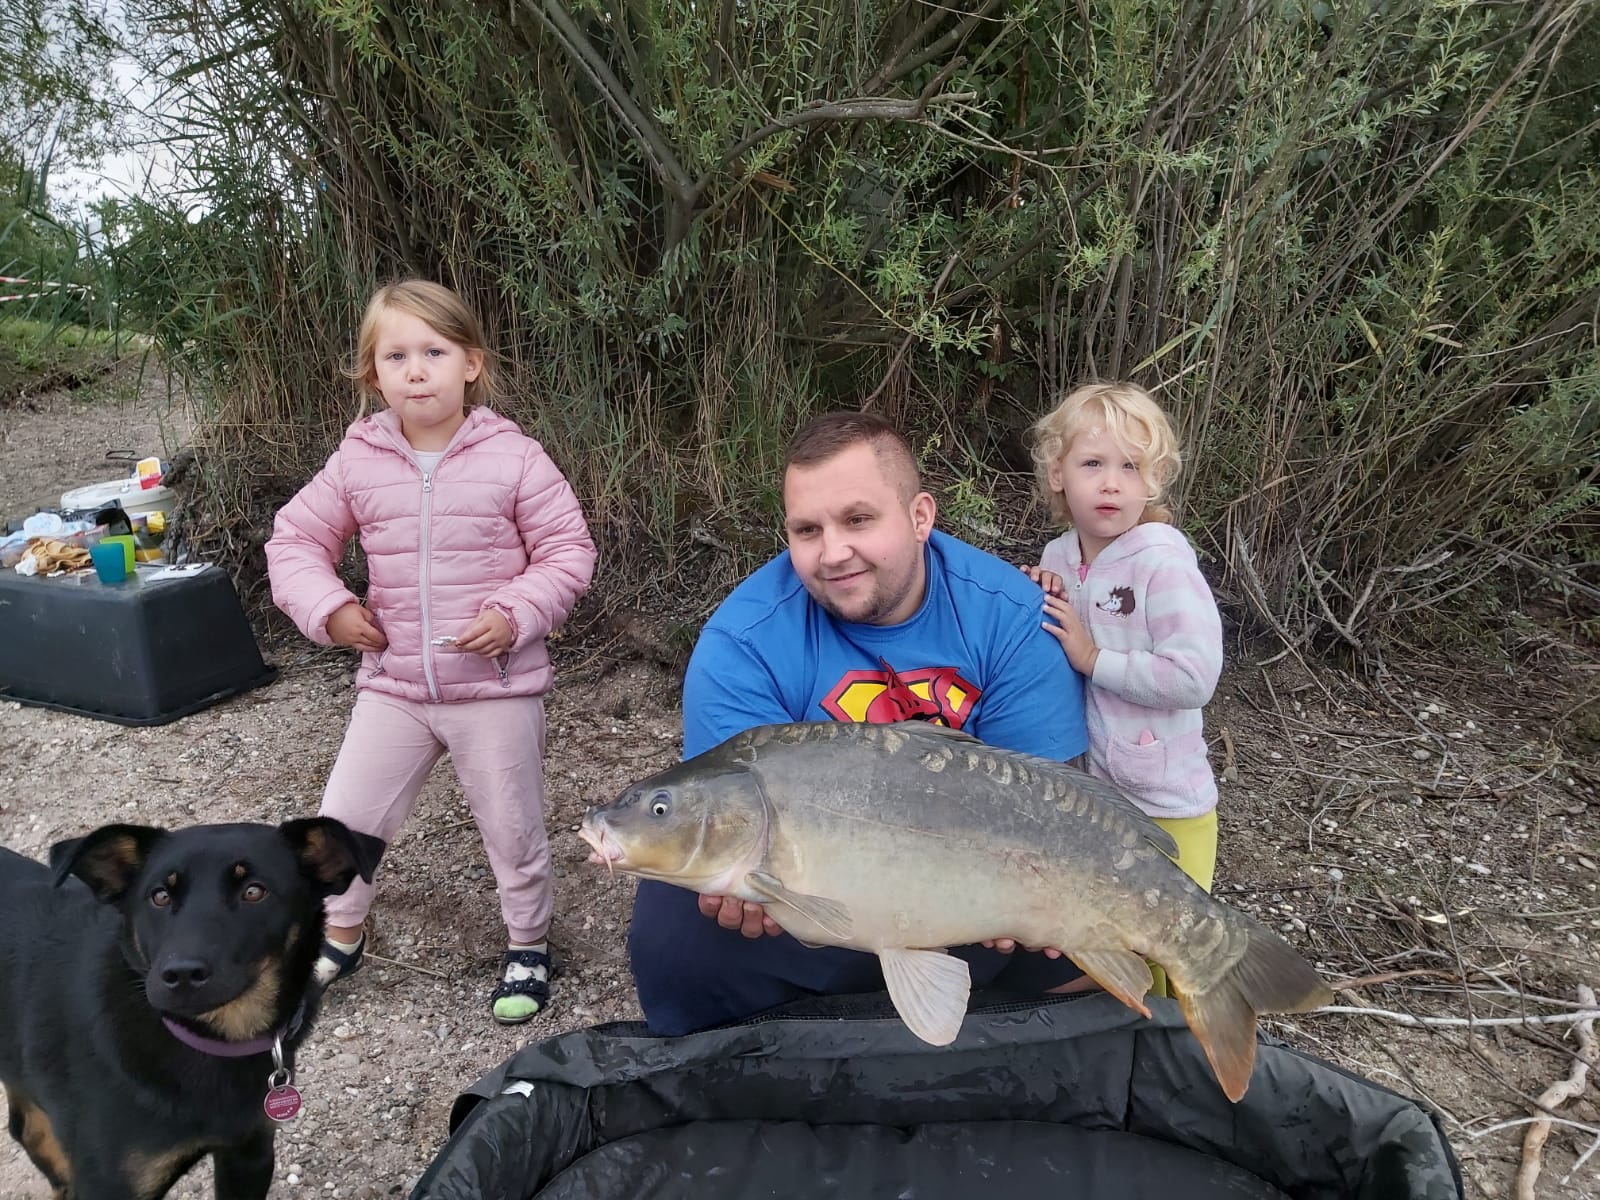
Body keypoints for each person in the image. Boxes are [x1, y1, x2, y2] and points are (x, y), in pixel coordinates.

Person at [627, 410, 1091, 1037]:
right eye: (807, 530)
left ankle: (1011, 1047)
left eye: (858, 520)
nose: (833, 553)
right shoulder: (742, 642)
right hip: (810, 901)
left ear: (920, 517)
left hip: (975, 886)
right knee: (674, 927)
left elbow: (1053, 801)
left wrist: (1017, 890)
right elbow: (728, 815)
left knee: (1082, 923)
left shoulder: (1012, 614)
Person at [265, 279, 596, 1024]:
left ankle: (528, 943)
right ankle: (341, 931)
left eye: (435, 352)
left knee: (511, 826)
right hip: (395, 687)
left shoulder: (514, 457)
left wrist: (515, 613)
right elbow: (295, 541)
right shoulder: (357, 460)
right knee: (345, 819)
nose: (416, 371)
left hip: (496, 688)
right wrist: (330, 609)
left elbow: (568, 550)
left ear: (471, 364)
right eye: (396, 356)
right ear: (372, 374)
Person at [1023, 380, 1224, 898]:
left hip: (1166, 804)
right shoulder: (1057, 557)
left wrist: (1094, 658)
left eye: (1130, 467)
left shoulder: (1162, 564)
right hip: (1092, 800)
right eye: (1092, 464)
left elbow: (1194, 678)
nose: (1111, 483)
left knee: (1175, 935)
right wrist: (1029, 596)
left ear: (1154, 481)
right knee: (1109, 931)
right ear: (1057, 473)